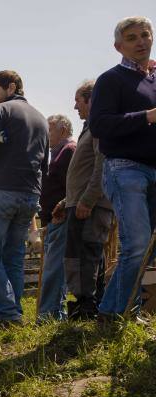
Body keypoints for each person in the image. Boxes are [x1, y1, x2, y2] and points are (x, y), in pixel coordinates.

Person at [90, 16, 156, 322]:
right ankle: (112, 313)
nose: (141, 41)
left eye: (145, 34)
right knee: (138, 243)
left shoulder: (154, 78)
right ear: (119, 46)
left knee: (149, 246)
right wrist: (147, 116)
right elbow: (100, 125)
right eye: (132, 37)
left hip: (154, 169)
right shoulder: (111, 79)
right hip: (125, 168)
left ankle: (125, 309)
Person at [0, 70, 49, 331]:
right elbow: (45, 164)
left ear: (11, 87)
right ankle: (12, 313)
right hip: (31, 194)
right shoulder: (41, 119)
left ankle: (7, 315)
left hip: (3, 189)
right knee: (13, 256)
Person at [52, 80, 113, 320]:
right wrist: (66, 200)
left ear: (91, 100)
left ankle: (88, 307)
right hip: (81, 203)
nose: (75, 106)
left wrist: (87, 200)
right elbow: (85, 171)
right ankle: (86, 303)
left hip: (91, 205)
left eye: (78, 101)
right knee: (81, 254)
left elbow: (102, 164)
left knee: (87, 254)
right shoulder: (89, 127)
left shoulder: (98, 127)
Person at [37, 115, 76, 321]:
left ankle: (49, 314)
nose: (46, 135)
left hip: (61, 217)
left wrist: (64, 204)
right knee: (53, 267)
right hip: (54, 218)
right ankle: (51, 312)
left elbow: (75, 184)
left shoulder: (69, 151)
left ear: (62, 130)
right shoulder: (58, 153)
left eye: (49, 130)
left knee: (55, 268)